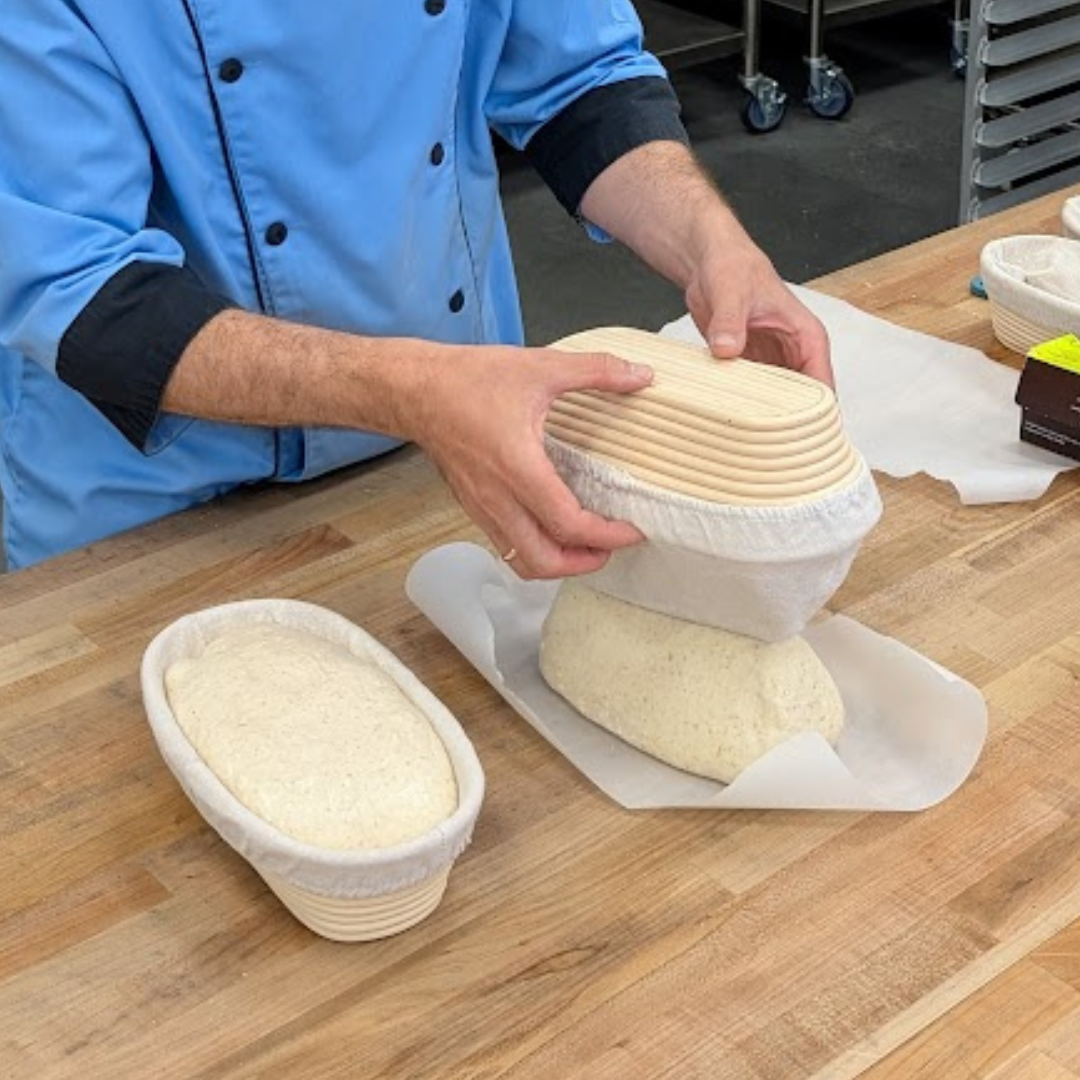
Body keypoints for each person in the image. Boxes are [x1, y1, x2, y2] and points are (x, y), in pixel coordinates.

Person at [0, 2, 830, 575]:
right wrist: (416, 391)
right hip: (155, 519)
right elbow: (85, 290)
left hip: (462, 451)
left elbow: (581, 80)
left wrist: (711, 244)